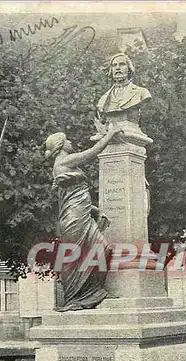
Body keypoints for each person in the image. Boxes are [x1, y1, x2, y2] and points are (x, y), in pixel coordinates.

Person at [45, 125, 122, 311]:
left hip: (82, 214)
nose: (71, 142)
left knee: (104, 249)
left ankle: (92, 292)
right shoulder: (63, 162)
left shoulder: (67, 163)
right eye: (68, 140)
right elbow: (92, 152)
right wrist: (110, 134)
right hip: (73, 218)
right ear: (61, 145)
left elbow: (75, 195)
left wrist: (95, 210)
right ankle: (76, 297)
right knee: (78, 256)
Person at [97, 53, 151, 118]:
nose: (117, 68)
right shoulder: (103, 99)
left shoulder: (142, 92)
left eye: (122, 64)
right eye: (114, 65)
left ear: (129, 68)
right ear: (111, 70)